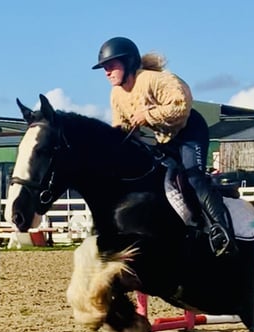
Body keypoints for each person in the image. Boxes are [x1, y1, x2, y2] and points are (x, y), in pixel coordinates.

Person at [92, 36, 235, 256]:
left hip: (189, 131)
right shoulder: (116, 94)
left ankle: (221, 232)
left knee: (193, 176)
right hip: (165, 138)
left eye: (111, 66)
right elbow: (122, 128)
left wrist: (148, 115)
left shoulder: (152, 79)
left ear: (128, 62)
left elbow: (181, 106)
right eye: (104, 68)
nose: (107, 72)